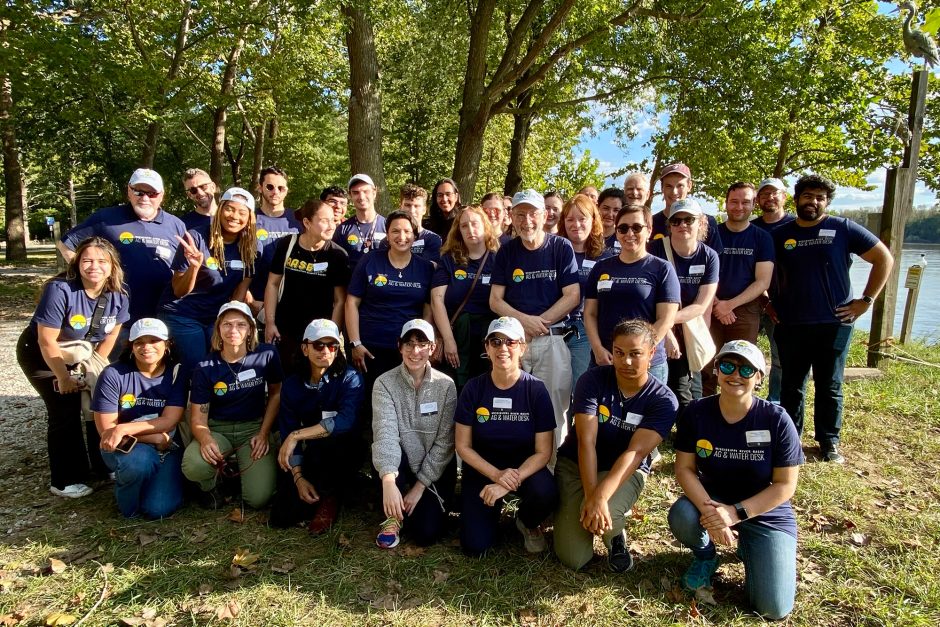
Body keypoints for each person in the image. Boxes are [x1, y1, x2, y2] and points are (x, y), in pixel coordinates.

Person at [669, 340, 802, 620]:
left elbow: (785, 486)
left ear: (759, 378)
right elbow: (684, 469)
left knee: (772, 608)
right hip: (713, 499)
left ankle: (749, 546)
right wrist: (711, 512)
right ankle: (706, 556)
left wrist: (734, 513)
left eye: (746, 369)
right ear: (716, 370)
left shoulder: (776, 419)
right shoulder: (695, 413)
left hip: (765, 511)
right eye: (727, 366)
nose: (735, 375)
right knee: (682, 513)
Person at [771, 174, 893, 463]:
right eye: (807, 196)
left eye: (820, 197)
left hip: (834, 322)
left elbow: (884, 258)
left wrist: (866, 300)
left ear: (826, 202)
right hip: (791, 323)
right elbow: (762, 272)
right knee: (791, 385)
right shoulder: (780, 235)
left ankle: (829, 442)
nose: (813, 201)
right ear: (797, 199)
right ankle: (791, 439)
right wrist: (767, 302)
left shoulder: (842, 228)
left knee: (830, 384)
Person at [554, 320, 678, 571]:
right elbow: (585, 441)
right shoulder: (592, 380)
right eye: (619, 353)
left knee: (607, 505)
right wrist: (592, 497)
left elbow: (636, 452)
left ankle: (616, 538)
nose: (626, 362)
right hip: (577, 465)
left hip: (624, 470)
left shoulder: (664, 400)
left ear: (652, 353)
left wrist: (600, 498)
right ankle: (584, 509)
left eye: (635, 354)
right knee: (574, 558)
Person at [17, 237, 129, 498]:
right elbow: (46, 340)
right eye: (87, 260)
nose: (94, 267)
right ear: (77, 262)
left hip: (83, 354)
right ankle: (64, 478)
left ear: (112, 266)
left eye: (102, 261)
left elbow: (112, 334)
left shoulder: (119, 294)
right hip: (43, 355)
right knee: (65, 407)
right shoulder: (60, 290)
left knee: (98, 401)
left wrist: (95, 370)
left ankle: (102, 465)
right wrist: (63, 377)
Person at [455, 317, 559, 556]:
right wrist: (496, 475)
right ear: (486, 348)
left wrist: (509, 480)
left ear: (522, 347)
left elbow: (544, 452)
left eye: (511, 342)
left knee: (546, 492)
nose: (503, 348)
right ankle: (487, 515)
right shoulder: (473, 388)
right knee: (475, 546)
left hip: (524, 467)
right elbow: (462, 446)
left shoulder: (536, 390)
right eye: (496, 341)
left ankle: (526, 521)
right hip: (484, 469)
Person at [490, 189, 580, 449]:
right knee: (512, 405)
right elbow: (495, 300)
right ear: (512, 217)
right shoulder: (506, 252)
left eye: (532, 213)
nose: (526, 220)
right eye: (520, 214)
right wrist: (522, 324)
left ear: (544, 215)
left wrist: (538, 323)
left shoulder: (561, 247)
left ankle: (550, 471)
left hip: (551, 339)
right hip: (514, 343)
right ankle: (516, 467)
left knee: (553, 408)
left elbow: (572, 295)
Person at [182, 301, 282, 509]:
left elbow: (275, 394)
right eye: (227, 324)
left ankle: (238, 477)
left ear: (250, 329)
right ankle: (209, 486)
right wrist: (205, 438)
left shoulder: (267, 355)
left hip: (253, 428)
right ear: (218, 328)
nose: (233, 330)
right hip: (219, 428)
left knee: (258, 499)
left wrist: (264, 433)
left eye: (240, 324)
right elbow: (198, 418)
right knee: (194, 465)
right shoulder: (205, 367)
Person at [270, 319, 364, 534]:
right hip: (311, 451)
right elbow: (287, 429)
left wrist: (297, 435)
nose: (325, 351)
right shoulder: (293, 384)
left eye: (331, 346)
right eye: (318, 345)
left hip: (343, 450)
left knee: (335, 446)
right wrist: (298, 477)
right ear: (305, 348)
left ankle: (332, 498)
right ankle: (311, 490)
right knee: (281, 517)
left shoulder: (350, 378)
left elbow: (345, 421)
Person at [346, 210, 435, 437]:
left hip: (407, 352)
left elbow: (428, 309)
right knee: (367, 406)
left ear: (415, 235)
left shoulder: (426, 268)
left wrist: (422, 347)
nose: (401, 236)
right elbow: (351, 302)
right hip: (369, 350)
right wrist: (355, 342)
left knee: (403, 407)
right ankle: (367, 460)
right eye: (395, 230)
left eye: (407, 231)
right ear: (386, 234)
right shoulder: (370, 260)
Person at [58, 168, 186, 325]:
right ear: (129, 192)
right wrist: (88, 274)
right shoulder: (106, 218)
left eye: (152, 193)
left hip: (163, 313)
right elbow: (66, 244)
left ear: (161, 196)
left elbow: (184, 267)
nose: (145, 198)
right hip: (114, 313)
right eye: (139, 192)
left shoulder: (176, 224)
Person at [373, 320, 457, 548]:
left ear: (433, 347)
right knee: (388, 462)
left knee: (425, 534)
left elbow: (445, 442)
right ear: (399, 346)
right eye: (408, 344)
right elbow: (385, 434)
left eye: (422, 344)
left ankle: (411, 506)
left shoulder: (446, 386)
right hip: (400, 465)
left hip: (434, 468)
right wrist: (390, 482)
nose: (415, 351)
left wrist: (420, 486)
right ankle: (393, 516)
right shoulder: (384, 384)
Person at [92, 318, 186, 518]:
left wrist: (123, 428)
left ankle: (148, 483)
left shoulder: (176, 373)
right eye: (139, 342)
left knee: (158, 509)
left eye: (154, 341)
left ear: (167, 344)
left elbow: (169, 421)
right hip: (128, 448)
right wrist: (155, 438)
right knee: (139, 462)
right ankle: (129, 507)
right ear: (130, 346)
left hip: (165, 450)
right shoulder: (113, 374)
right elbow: (107, 433)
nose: (147, 347)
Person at [159, 187, 259, 369]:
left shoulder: (251, 247)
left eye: (242, 212)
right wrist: (194, 267)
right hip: (183, 313)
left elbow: (240, 291)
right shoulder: (197, 238)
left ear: (250, 218)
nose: (234, 216)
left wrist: (228, 323)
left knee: (224, 360)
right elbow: (178, 291)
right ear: (220, 209)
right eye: (229, 208)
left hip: (215, 316)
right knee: (199, 365)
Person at [584, 204, 680, 384]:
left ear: (649, 230)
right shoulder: (601, 268)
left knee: (645, 412)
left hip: (647, 364)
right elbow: (590, 313)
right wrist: (597, 349)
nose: (629, 234)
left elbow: (666, 319)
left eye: (636, 227)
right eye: (623, 228)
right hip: (605, 359)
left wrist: (642, 353)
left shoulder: (662, 269)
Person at [702, 182, 774, 396]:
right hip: (709, 308)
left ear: (754, 204)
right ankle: (706, 416)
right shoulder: (712, 234)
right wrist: (716, 304)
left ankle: (738, 415)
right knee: (707, 365)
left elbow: (763, 281)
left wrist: (729, 305)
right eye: (734, 201)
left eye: (745, 202)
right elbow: (701, 273)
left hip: (744, 311)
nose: (739, 207)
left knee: (740, 367)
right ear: (726, 203)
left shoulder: (762, 238)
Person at [649, 199, 719, 411]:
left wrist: (670, 322)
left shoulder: (709, 257)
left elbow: (701, 305)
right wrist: (666, 332)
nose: (683, 225)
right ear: (669, 225)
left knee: (692, 380)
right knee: (677, 384)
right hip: (654, 321)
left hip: (689, 324)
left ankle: (693, 428)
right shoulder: (654, 250)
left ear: (701, 223)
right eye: (676, 221)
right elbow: (649, 299)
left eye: (689, 220)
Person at [264, 199, 349, 368]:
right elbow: (273, 284)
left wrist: (332, 336)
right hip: (286, 331)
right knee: (287, 382)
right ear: (307, 222)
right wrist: (270, 323)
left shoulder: (337, 254)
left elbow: (340, 300)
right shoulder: (287, 245)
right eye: (324, 221)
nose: (331, 225)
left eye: (333, 220)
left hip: (319, 335)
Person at [431, 205, 499, 391]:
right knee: (456, 389)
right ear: (458, 231)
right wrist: (448, 339)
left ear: (485, 226)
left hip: (489, 338)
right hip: (458, 336)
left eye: (475, 224)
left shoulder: (499, 259)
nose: (470, 229)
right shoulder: (449, 260)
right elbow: (437, 300)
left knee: (487, 387)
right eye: (464, 226)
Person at [556, 193, 613, 390]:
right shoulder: (553, 251)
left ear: (593, 220)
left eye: (582, 219)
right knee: (557, 390)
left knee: (582, 387)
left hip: (586, 330)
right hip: (554, 329)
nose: (576, 224)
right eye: (570, 219)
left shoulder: (606, 257)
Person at [751, 178, 793, 404]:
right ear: (758, 200)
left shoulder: (797, 226)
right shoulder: (752, 228)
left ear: (784, 197)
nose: (770, 198)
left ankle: (775, 401)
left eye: (774, 193)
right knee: (745, 351)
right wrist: (764, 300)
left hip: (784, 304)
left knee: (780, 357)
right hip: (753, 300)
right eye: (764, 194)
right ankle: (745, 398)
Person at [249, 166, 302, 311]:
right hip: (256, 300)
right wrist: (249, 298)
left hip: (291, 301)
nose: (275, 192)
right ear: (260, 188)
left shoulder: (299, 220)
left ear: (287, 190)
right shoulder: (248, 219)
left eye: (281, 188)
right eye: (270, 187)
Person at [650, 163, 723, 254]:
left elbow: (715, 261)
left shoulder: (707, 222)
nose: (674, 192)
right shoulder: (651, 223)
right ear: (662, 188)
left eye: (680, 185)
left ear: (689, 186)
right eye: (669, 186)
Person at [333, 174, 386, 271]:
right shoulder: (342, 229)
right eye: (356, 192)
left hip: (381, 283)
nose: (361, 197)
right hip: (353, 284)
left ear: (374, 192)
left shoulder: (388, 226)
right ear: (350, 195)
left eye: (366, 191)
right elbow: (337, 267)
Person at [394, 184, 442, 265]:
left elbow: (427, 269)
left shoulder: (433, 240)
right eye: (407, 205)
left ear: (424, 209)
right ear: (400, 207)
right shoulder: (390, 240)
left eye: (416, 206)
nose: (412, 211)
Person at [598, 188, 625, 256]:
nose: (610, 214)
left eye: (616, 210)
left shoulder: (624, 239)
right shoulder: (586, 235)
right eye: (606, 208)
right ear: (597, 208)